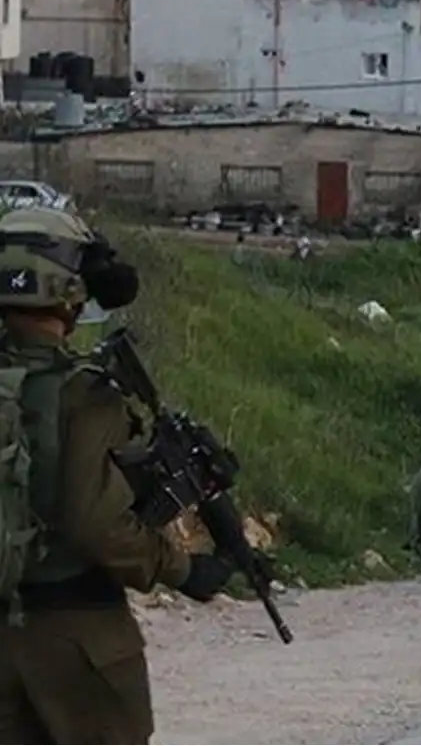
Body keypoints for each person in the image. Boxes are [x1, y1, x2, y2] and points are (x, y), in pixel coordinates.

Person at [0, 207, 233, 743]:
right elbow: (95, 523)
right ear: (66, 290)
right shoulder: (86, 395)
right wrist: (181, 569)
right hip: (78, 639)